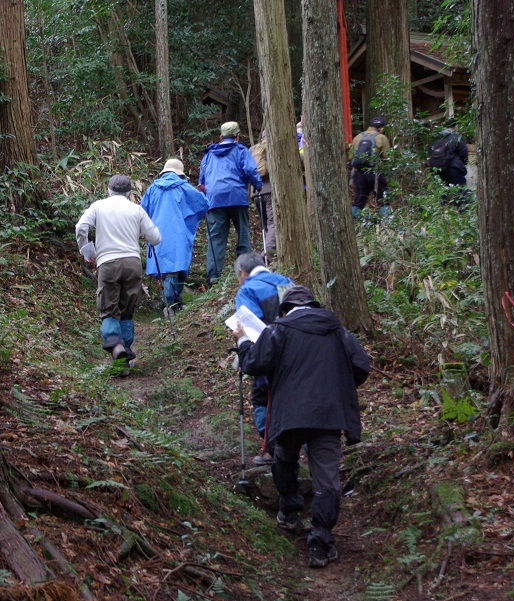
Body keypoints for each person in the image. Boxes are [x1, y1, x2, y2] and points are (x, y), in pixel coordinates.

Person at [231, 286, 371, 568]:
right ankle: (321, 540)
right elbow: (361, 365)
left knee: (284, 457)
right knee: (327, 480)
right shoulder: (336, 329)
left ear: (285, 309)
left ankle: (291, 511)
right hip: (329, 416)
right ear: (312, 305)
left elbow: (253, 364)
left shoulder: (279, 329)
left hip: (290, 416)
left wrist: (244, 339)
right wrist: (336, 385)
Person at [76, 174, 161, 368]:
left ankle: (116, 347)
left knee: (109, 310)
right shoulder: (136, 209)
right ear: (129, 193)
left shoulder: (98, 206)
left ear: (108, 190)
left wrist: (87, 250)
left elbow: (81, 227)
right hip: (132, 263)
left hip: (108, 264)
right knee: (127, 312)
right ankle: (125, 360)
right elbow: (155, 238)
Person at [233, 251, 293, 463]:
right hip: (295, 350)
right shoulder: (286, 282)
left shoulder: (247, 289)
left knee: (261, 398)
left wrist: (243, 348)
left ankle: (272, 448)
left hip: (266, 352)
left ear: (242, 272)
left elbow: (250, 327)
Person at [197, 121, 263, 285]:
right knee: (242, 235)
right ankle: (246, 273)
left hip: (214, 199)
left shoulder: (209, 155)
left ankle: (213, 277)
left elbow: (201, 182)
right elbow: (250, 170)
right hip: (237, 196)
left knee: (216, 238)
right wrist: (258, 185)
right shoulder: (241, 150)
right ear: (238, 136)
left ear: (220, 137)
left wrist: (207, 194)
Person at [140, 159, 209, 313]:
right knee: (176, 266)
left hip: (156, 233)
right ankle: (169, 302)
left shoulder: (153, 189)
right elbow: (203, 204)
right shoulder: (183, 187)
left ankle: (173, 300)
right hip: (178, 234)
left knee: (167, 268)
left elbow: (142, 211)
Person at [350, 117, 391, 217]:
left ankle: (353, 224)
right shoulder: (382, 138)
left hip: (359, 173)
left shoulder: (357, 137)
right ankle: (387, 223)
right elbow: (387, 157)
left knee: (359, 200)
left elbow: (350, 156)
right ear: (381, 128)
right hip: (375, 173)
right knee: (383, 199)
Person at [428, 120, 470, 206]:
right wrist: (463, 164)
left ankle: (441, 210)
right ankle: (464, 212)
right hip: (453, 168)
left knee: (443, 190)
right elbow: (463, 152)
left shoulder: (436, 138)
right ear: (455, 126)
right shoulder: (456, 136)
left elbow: (430, 152)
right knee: (462, 191)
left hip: (438, 169)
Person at [249, 132, 276, 261]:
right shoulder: (274, 147)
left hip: (255, 191)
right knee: (273, 222)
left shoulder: (253, 149)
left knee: (264, 223)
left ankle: (266, 249)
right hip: (270, 190)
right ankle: (268, 253)